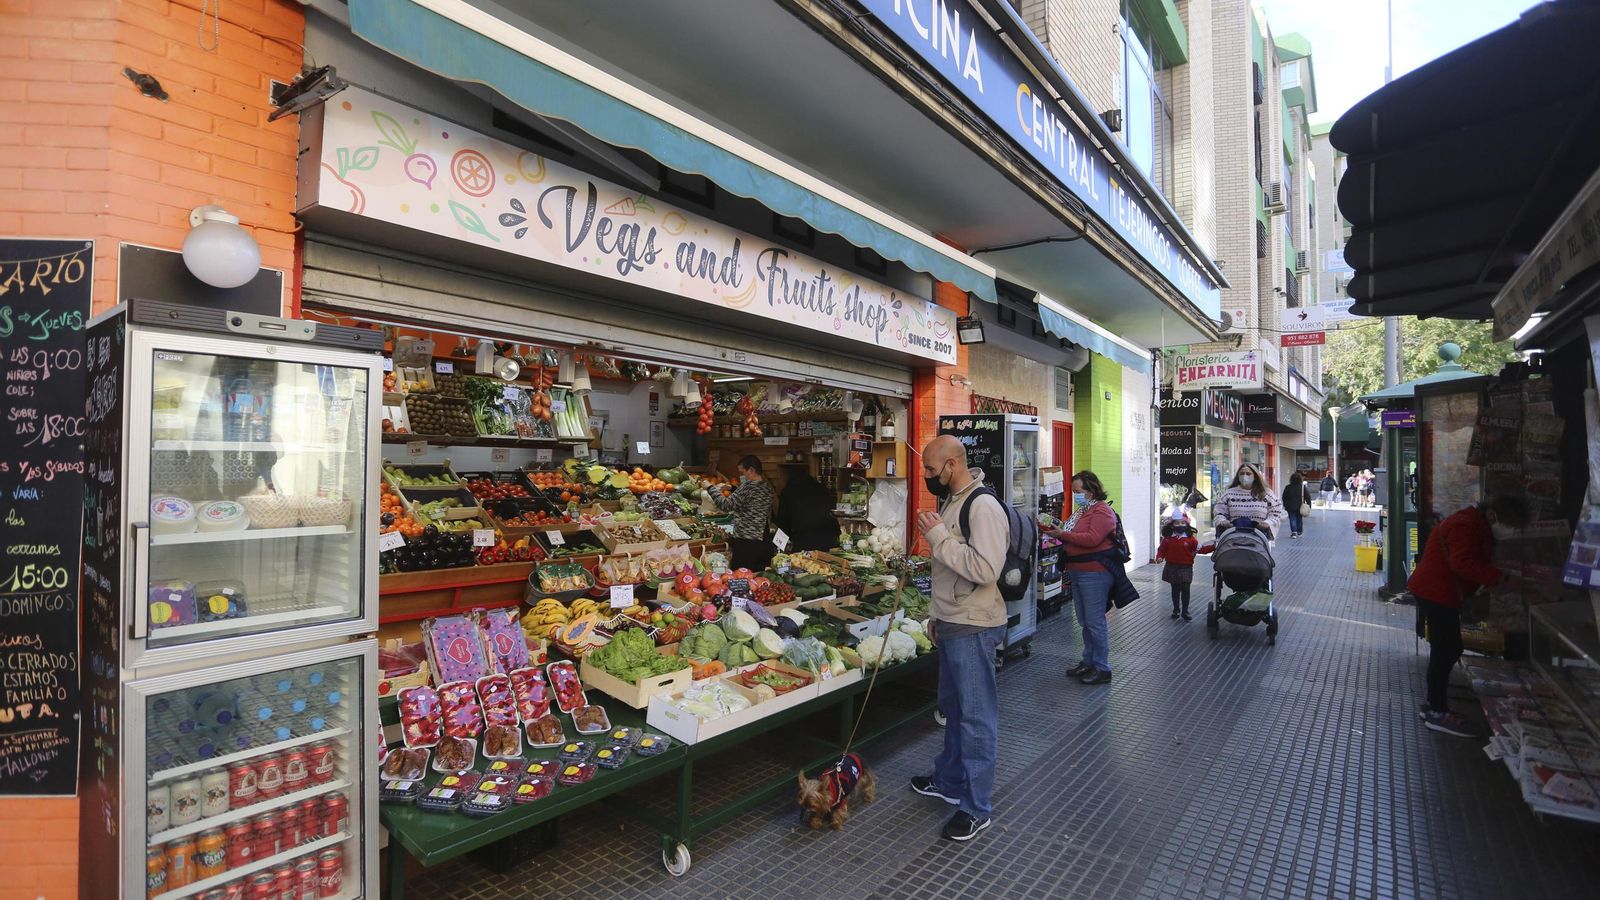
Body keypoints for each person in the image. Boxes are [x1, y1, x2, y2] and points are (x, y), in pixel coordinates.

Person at [909, 435, 1008, 842]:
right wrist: (936, 614)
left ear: (952, 465)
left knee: (975, 718)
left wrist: (938, 537)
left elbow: (985, 569)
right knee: (952, 709)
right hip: (951, 622)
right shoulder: (951, 501)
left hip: (974, 625)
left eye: (931, 469)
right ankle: (949, 781)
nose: (927, 476)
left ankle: (976, 807)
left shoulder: (982, 506)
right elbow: (947, 570)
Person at [1407, 494, 1530, 737]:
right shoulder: (1466, 525)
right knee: (1447, 649)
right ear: (1492, 515)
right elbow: (1461, 563)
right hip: (1437, 592)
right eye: (1510, 525)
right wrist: (1501, 577)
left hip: (1438, 591)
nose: (1511, 531)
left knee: (1445, 649)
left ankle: (1434, 705)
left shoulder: (1472, 523)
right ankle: (1437, 711)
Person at [1051, 471, 1119, 685]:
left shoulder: (1102, 511)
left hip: (1094, 572)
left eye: (1078, 491)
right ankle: (1088, 661)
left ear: (1091, 490)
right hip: (1078, 570)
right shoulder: (1082, 511)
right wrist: (1057, 530)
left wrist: (1063, 535)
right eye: (1073, 492)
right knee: (1085, 621)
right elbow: (1072, 532)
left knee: (1095, 621)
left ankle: (1102, 667)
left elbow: (1092, 539)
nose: (1076, 496)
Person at [715, 455, 776, 572]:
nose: (741, 476)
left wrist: (710, 488)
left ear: (751, 470)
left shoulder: (747, 487)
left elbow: (725, 505)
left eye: (742, 472)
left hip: (746, 542)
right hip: (763, 539)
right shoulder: (767, 487)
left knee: (741, 576)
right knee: (759, 577)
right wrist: (732, 488)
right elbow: (750, 498)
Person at [1212, 464, 1286, 539]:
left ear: (1255, 476)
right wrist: (1222, 521)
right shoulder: (1228, 494)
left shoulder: (1266, 494)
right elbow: (1219, 512)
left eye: (1248, 474)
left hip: (1259, 538)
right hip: (1234, 538)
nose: (1244, 476)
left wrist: (1268, 523)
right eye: (1242, 473)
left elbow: (1276, 512)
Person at [774, 467, 839, 552]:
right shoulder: (822, 489)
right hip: (830, 540)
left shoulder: (788, 492)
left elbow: (783, 522)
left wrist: (781, 550)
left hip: (805, 541)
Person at [1156, 519, 1199, 621]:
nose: (1180, 525)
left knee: (1186, 588)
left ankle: (1185, 611)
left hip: (1186, 567)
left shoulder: (1191, 539)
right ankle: (1176, 609)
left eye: (1183, 523)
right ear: (1172, 526)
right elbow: (1162, 549)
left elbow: (1199, 548)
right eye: (1177, 523)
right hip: (1172, 566)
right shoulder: (1168, 539)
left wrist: (1214, 547)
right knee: (1175, 589)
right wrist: (1159, 557)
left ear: (1186, 525)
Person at [1281, 472, 1312, 539]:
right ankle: (1299, 532)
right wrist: (1309, 505)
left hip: (1290, 506)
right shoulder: (1302, 487)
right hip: (1300, 506)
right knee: (1299, 519)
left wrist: (1285, 505)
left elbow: (1284, 497)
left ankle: (1294, 532)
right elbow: (1308, 497)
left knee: (1292, 519)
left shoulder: (1288, 487)